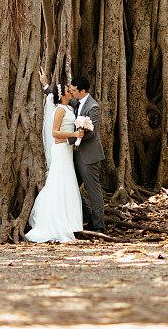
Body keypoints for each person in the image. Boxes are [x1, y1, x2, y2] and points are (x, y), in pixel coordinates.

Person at [41, 71, 106, 233]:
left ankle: (99, 226)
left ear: (83, 91)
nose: (71, 92)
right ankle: (88, 218)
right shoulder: (75, 103)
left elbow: (90, 133)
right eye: (70, 90)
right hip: (72, 154)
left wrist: (68, 139)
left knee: (93, 190)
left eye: (74, 90)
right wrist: (46, 86)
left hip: (88, 155)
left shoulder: (93, 107)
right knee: (71, 188)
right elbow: (59, 99)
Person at [25, 79, 84, 243]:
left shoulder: (68, 107)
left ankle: (71, 222)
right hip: (60, 150)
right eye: (67, 89)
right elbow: (55, 133)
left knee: (67, 182)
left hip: (67, 150)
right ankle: (56, 222)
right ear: (62, 95)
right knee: (59, 181)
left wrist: (45, 85)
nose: (71, 91)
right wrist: (74, 135)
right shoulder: (59, 110)